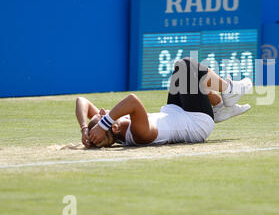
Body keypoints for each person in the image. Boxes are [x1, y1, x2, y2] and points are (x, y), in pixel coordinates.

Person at [75, 57, 252, 148]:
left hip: (176, 111)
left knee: (180, 71)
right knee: (186, 65)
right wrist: (102, 124)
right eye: (102, 116)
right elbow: (132, 101)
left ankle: (220, 107)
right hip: (196, 122)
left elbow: (81, 101)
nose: (104, 111)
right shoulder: (138, 133)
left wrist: (85, 128)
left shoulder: (114, 127)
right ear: (113, 128)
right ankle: (229, 89)